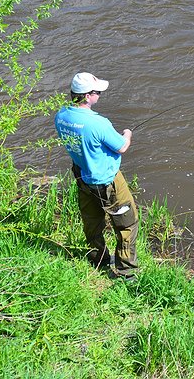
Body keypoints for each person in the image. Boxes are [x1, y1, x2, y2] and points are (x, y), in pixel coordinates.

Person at [55, 72, 139, 279]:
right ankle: (126, 273)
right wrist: (127, 133)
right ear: (87, 96)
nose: (99, 95)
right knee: (128, 224)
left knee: (92, 222)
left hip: (82, 176)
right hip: (107, 182)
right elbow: (121, 147)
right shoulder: (98, 123)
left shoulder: (62, 115)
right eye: (97, 92)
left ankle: (98, 260)